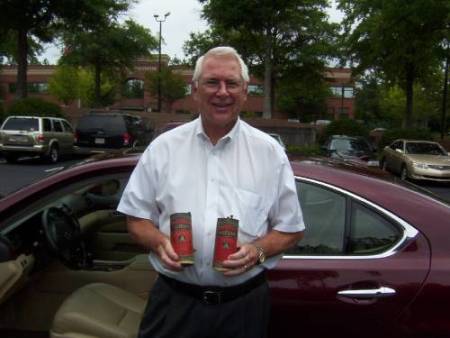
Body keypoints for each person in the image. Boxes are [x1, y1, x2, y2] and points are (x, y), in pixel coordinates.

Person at [117, 46, 305, 338]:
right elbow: (135, 219)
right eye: (211, 82)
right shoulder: (163, 149)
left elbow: (291, 229)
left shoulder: (270, 154)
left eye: (231, 83)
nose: (222, 92)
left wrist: (258, 251)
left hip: (243, 307)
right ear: (194, 90)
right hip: (174, 303)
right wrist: (157, 241)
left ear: (244, 91)